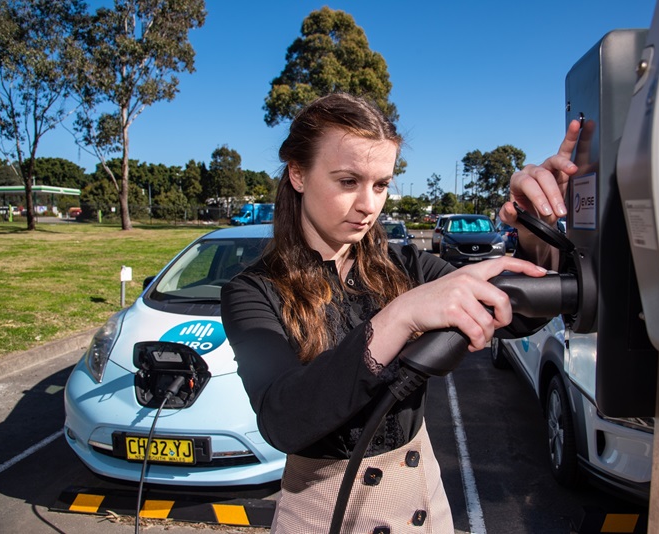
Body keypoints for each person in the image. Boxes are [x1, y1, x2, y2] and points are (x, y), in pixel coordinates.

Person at [220, 92, 579, 533]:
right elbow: (284, 418)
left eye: (381, 184)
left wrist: (533, 223)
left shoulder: (406, 265)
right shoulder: (253, 291)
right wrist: (400, 316)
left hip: (426, 508)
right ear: (298, 173)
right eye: (348, 182)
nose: (369, 205)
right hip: (323, 518)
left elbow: (518, 315)